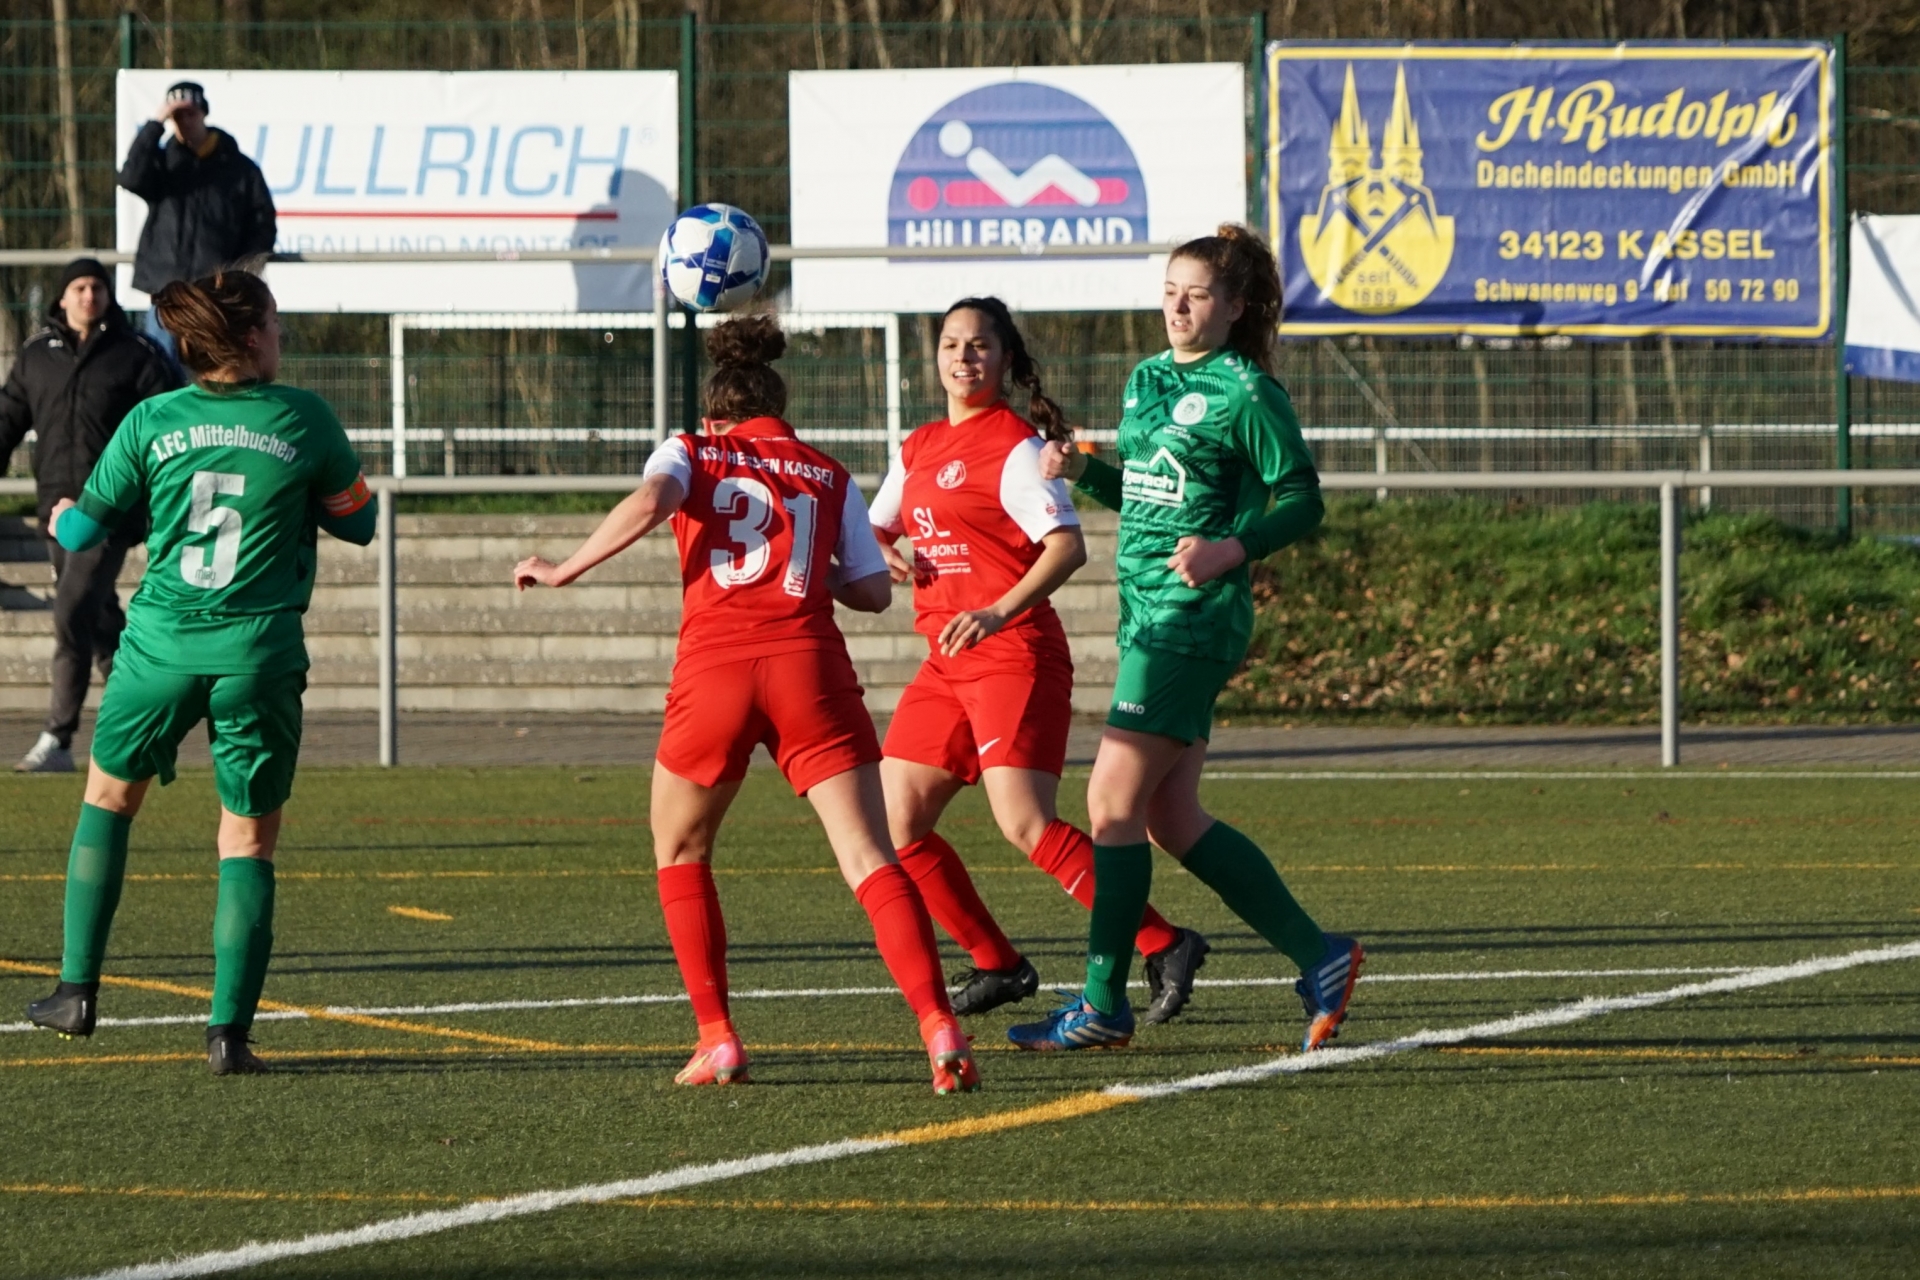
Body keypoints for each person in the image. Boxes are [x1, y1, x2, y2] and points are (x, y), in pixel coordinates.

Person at [513, 316, 979, 1095]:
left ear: (714, 415)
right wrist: (816, 562)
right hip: (809, 668)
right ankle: (938, 1025)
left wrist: (565, 568)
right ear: (779, 409)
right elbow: (871, 592)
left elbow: (653, 499)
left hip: (717, 671)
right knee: (870, 856)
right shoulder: (827, 472)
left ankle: (718, 1039)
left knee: (681, 850)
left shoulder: (691, 450)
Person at [1014, 224, 1364, 1054]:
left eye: (1196, 295)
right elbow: (1146, 491)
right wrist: (1083, 470)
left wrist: (1231, 549)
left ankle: (1104, 1001)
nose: (1177, 307)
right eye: (1169, 292)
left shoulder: (1247, 392)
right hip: (1146, 613)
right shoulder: (1146, 380)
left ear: (1234, 307)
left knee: (1109, 804)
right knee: (1169, 816)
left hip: (1191, 615)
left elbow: (1303, 498)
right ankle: (1320, 956)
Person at [21, 270, 376, 1076]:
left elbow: (83, 531)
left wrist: (61, 515)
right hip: (257, 653)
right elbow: (361, 522)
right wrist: (300, 493)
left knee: (108, 801)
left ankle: (76, 993)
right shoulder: (303, 417)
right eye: (275, 324)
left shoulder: (153, 418)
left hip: (159, 649)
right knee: (246, 836)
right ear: (250, 338)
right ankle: (228, 1037)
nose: (282, 337)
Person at [869, 296, 1210, 1028]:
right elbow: (875, 527)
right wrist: (881, 550)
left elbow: (1067, 547)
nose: (963, 357)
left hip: (1013, 654)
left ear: (1006, 359)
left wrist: (997, 610)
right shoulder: (919, 446)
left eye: (979, 345)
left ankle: (1165, 942)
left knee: (1025, 822)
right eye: (951, 344)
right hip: (946, 661)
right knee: (896, 822)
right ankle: (997, 962)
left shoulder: (1015, 446)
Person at [1, 258, 178, 773]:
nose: (88, 295)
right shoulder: (37, 356)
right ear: (62, 297)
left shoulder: (135, 354)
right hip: (54, 510)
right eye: (78, 287)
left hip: (110, 512)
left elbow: (171, 424)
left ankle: (58, 738)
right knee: (99, 622)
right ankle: (146, 724)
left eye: (97, 286)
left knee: (72, 611)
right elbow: (9, 417)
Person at [117, 81, 277, 372]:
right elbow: (130, 178)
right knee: (162, 372)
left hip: (214, 294)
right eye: (176, 116)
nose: (184, 122)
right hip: (168, 291)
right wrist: (155, 123)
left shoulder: (238, 168)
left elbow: (263, 223)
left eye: (190, 114)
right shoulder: (162, 164)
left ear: (204, 114)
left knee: (214, 371)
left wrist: (238, 271)